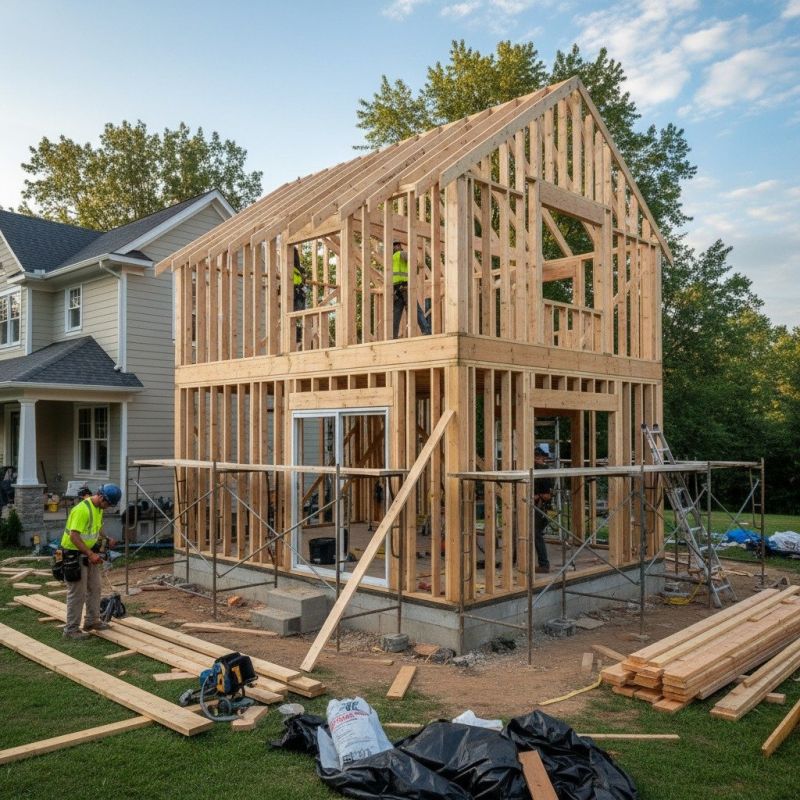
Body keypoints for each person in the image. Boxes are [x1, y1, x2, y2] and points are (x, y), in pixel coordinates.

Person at [61, 483, 121, 640]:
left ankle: (92, 621)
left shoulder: (98, 509)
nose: (108, 507)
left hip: (89, 553)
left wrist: (106, 538)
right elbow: (74, 536)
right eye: (108, 503)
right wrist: (90, 554)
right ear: (101, 497)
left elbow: (97, 528)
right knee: (77, 593)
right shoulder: (82, 510)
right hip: (74, 554)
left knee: (95, 587)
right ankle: (71, 629)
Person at [392, 241, 431, 338]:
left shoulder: (399, 254)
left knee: (409, 310)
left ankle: (426, 330)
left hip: (402, 287)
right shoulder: (393, 257)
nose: (393, 248)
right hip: (399, 289)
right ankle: (393, 336)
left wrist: (416, 267)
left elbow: (413, 261)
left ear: (398, 246)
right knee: (399, 313)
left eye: (394, 246)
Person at [533, 446, 554, 573]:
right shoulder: (535, 470)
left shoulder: (544, 472)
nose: (536, 460)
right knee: (532, 534)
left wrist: (536, 496)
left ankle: (544, 565)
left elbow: (547, 496)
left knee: (536, 534)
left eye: (537, 457)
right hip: (535, 507)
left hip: (542, 509)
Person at [293, 247, 306, 345]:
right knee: (297, 317)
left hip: (296, 295)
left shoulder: (294, 269)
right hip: (298, 295)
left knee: (295, 316)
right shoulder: (299, 269)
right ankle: (297, 336)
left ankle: (297, 336)